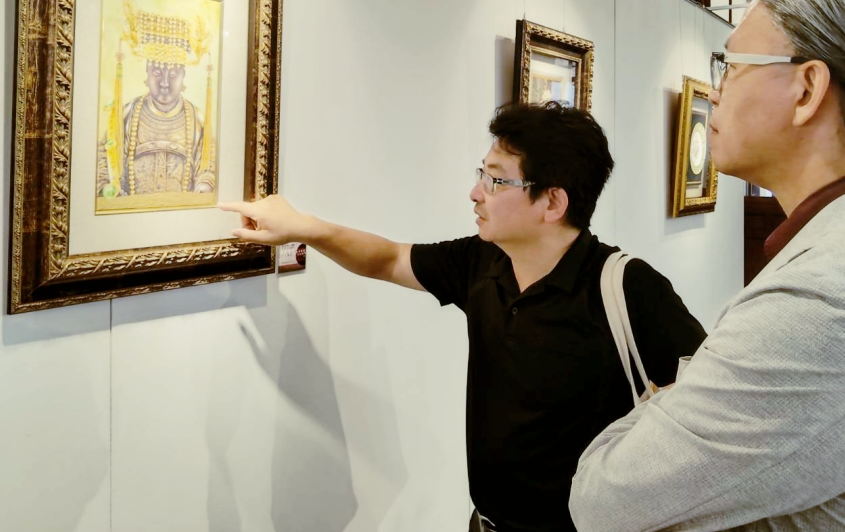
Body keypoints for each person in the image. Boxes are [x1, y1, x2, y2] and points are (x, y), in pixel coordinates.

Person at [569, 0, 845, 531]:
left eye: (730, 66)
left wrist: (666, 399)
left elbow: (602, 501)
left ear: (807, 88)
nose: (715, 93)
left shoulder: (831, 305)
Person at [221, 102, 706, 532]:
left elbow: (707, 412)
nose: (476, 192)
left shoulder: (627, 287)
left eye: (496, 180)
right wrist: (304, 227)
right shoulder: (483, 261)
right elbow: (387, 259)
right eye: (482, 174)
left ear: (552, 202)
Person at [97, 9, 215, 198]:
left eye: (173, 74)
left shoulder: (198, 119)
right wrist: (109, 188)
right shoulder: (126, 114)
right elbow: (104, 161)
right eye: (158, 73)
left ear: (183, 76)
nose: (165, 83)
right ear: (147, 74)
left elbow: (208, 167)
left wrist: (205, 184)